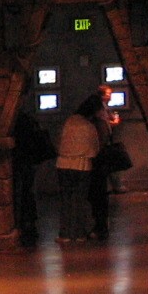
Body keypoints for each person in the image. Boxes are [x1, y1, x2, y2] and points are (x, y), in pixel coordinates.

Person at [56, 95, 103, 242]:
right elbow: (95, 149)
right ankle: (80, 233)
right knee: (80, 200)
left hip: (63, 164)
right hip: (82, 165)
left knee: (66, 200)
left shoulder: (69, 121)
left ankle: (65, 234)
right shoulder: (89, 126)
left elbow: (60, 142)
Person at [11, 102, 56, 247]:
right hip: (28, 161)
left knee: (22, 193)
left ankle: (23, 223)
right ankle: (29, 222)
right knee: (27, 193)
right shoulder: (29, 121)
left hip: (19, 161)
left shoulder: (16, 123)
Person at [89, 85, 121, 238]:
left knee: (99, 192)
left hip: (100, 154)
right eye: (108, 94)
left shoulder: (103, 111)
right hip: (99, 155)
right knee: (99, 192)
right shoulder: (98, 114)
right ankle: (100, 225)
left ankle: (100, 225)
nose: (110, 96)